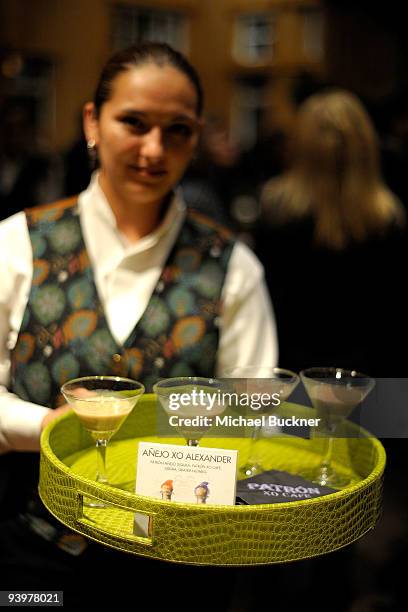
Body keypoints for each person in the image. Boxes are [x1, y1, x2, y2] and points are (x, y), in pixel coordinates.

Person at [0, 42, 277, 607]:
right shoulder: (16, 245)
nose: (155, 149)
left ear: (195, 138)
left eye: (177, 130)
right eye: (134, 122)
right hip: (34, 558)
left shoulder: (233, 266)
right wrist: (56, 426)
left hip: (179, 567)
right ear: (92, 122)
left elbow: (259, 413)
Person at [256, 88, 406, 377]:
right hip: (371, 377)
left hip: (291, 372)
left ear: (300, 145)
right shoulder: (390, 218)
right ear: (365, 146)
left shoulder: (275, 208)